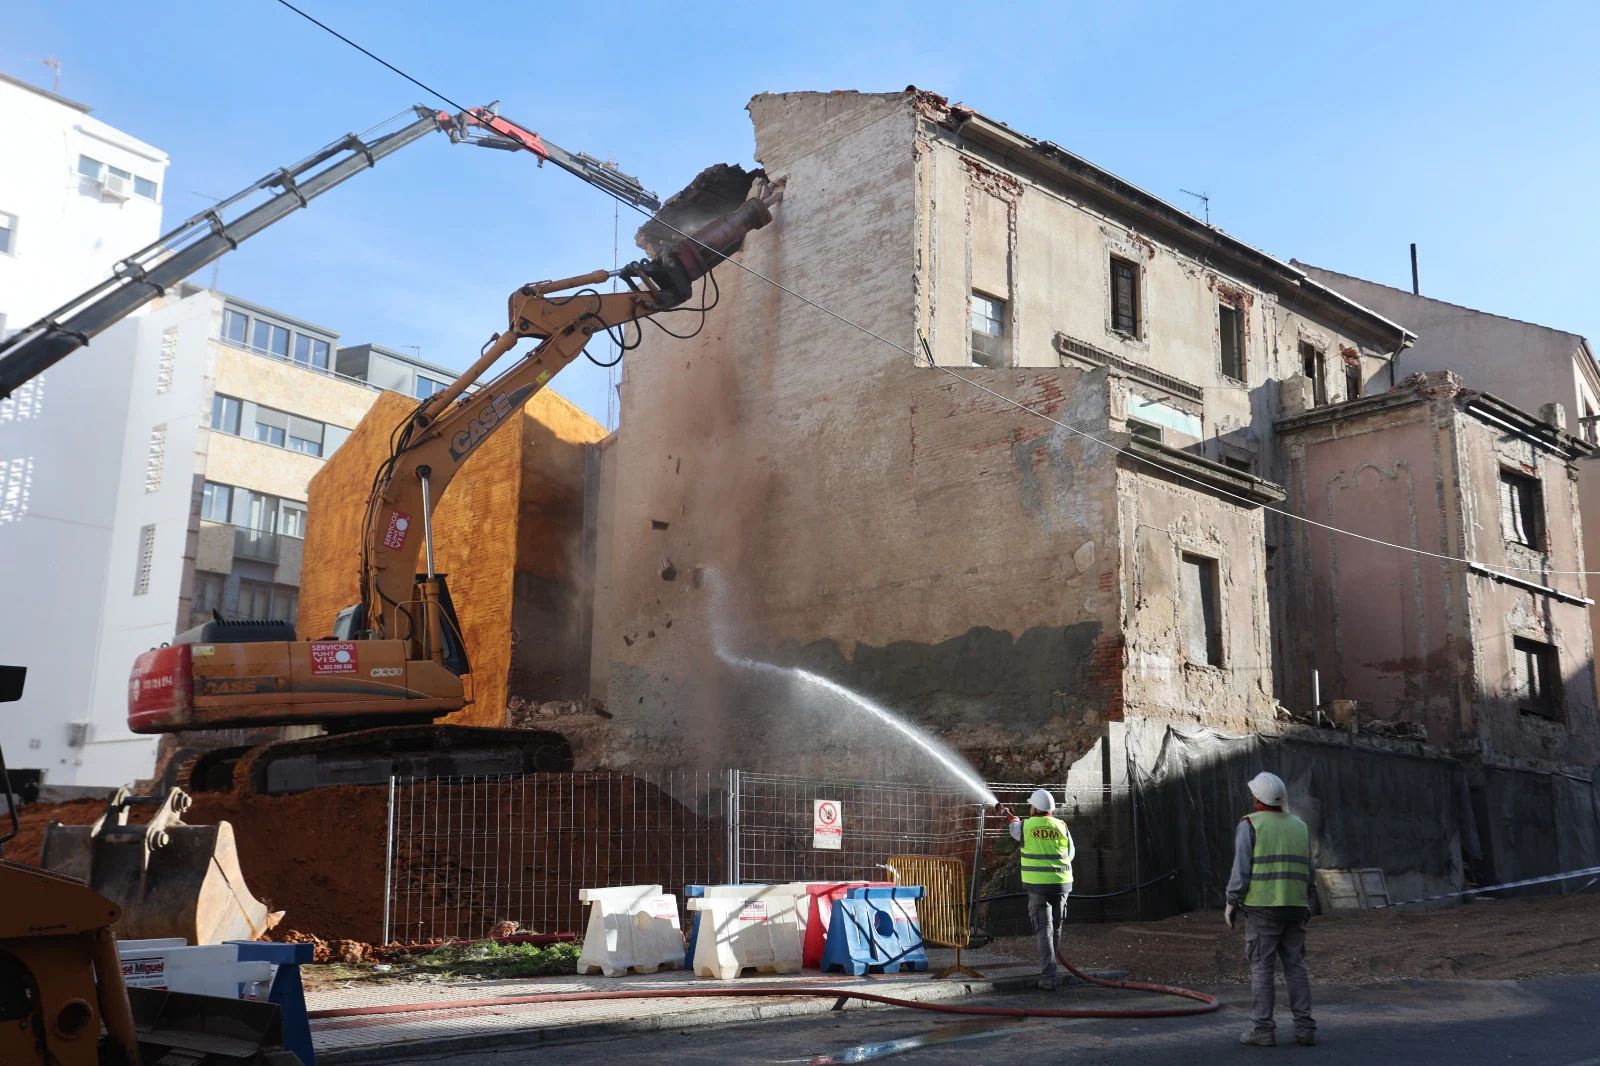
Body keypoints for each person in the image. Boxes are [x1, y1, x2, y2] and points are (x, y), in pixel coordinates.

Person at [1226, 770, 1316, 1047]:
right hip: (1295, 907)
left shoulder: (1250, 824)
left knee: (1263, 969)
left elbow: (1241, 870)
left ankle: (1263, 1030)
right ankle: (1305, 1029)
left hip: (1262, 908)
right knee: (1296, 967)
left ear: (1257, 799)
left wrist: (1232, 900)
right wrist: (1306, 901)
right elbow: (1308, 872)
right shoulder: (1299, 826)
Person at [1000, 788, 1075, 990]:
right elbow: (1071, 853)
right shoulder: (1062, 826)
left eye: (1031, 805)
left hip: (1038, 887)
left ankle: (1049, 977)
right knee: (1055, 928)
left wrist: (1010, 817)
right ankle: (1052, 970)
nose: (1030, 808)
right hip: (1062, 884)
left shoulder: (1026, 826)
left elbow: (1015, 828)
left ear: (1035, 807)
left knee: (1044, 930)